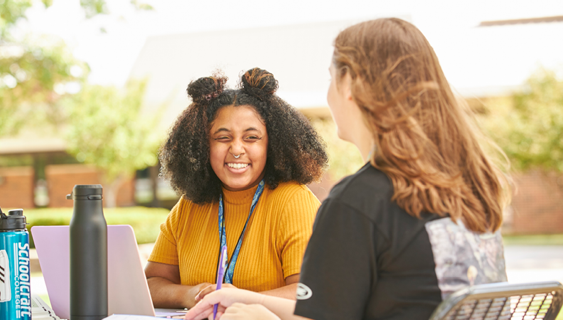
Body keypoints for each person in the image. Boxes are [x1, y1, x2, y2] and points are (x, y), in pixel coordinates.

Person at [186, 17, 510, 320]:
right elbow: (332, 307)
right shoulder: (468, 186)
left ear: (351, 84)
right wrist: (246, 298)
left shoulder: (359, 201)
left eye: (331, 77)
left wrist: (260, 318)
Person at [145, 68, 328, 309]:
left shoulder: (294, 201)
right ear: (203, 145)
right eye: (223, 137)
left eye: (251, 138)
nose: (237, 149)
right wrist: (191, 293)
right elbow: (150, 283)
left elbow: (309, 294)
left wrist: (240, 299)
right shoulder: (189, 206)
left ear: (271, 145)